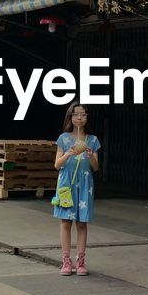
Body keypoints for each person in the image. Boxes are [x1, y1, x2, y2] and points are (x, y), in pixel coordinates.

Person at [53, 101, 101, 276]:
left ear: (87, 118)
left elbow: (95, 167)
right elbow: (57, 165)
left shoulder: (92, 140)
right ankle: (66, 261)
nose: (79, 117)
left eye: (83, 114)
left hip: (85, 185)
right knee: (65, 222)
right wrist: (68, 153)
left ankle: (80, 261)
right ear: (70, 117)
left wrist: (90, 156)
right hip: (66, 184)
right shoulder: (63, 138)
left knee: (82, 223)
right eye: (76, 114)